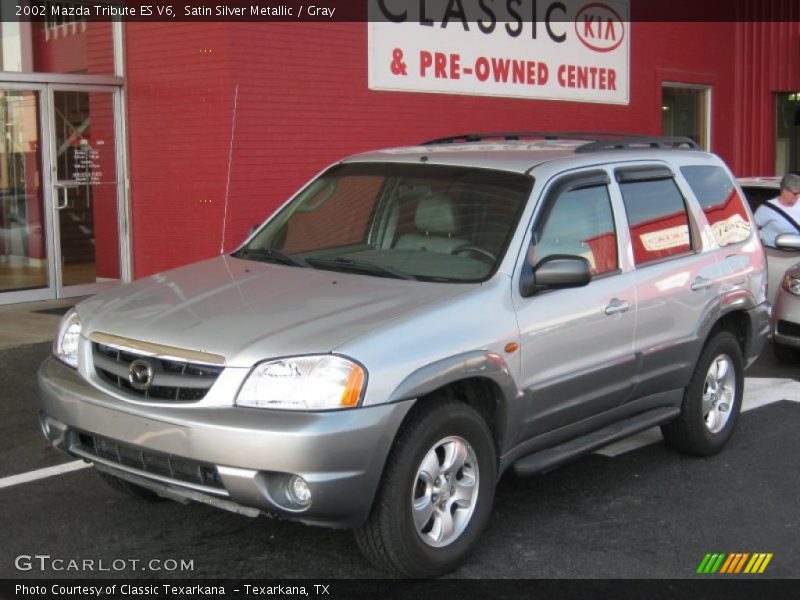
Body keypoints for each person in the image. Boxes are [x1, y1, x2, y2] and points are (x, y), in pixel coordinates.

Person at [753, 172, 800, 247]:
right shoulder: (766, 209)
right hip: (776, 255)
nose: (798, 196)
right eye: (795, 193)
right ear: (784, 191)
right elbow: (752, 231)